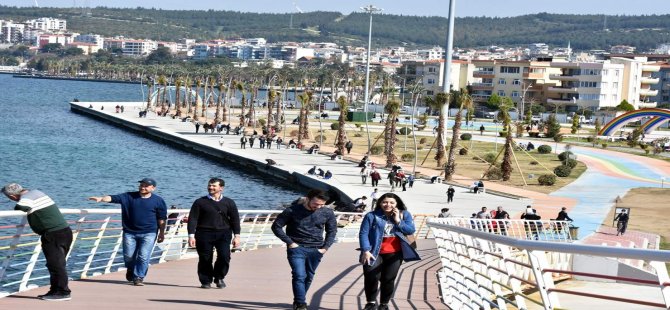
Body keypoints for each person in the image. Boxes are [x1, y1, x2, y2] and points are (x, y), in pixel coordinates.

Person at [88, 178, 167, 286]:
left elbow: (161, 219)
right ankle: (131, 269)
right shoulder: (129, 196)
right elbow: (113, 198)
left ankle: (139, 277)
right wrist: (101, 198)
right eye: (141, 185)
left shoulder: (158, 201)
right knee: (128, 256)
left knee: (143, 256)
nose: (142, 187)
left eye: (146, 186)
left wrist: (162, 233)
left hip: (149, 232)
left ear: (153, 188)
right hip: (130, 232)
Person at [2, 183, 73, 301]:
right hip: (64, 232)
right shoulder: (36, 192)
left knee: (56, 265)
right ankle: (55, 290)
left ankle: (63, 292)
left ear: (12, 196)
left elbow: (21, 207)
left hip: (53, 234)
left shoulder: (26, 197)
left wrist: (18, 202)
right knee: (56, 264)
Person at [271, 189, 337, 310]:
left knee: (309, 276)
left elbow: (332, 231)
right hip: (297, 248)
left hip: (317, 249)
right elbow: (276, 226)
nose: (318, 207)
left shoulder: (327, 212)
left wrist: (325, 248)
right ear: (307, 199)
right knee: (299, 275)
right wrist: (290, 243)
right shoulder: (292, 210)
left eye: (321, 204)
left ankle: (298, 301)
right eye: (315, 204)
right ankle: (301, 303)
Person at [359, 193, 420, 310]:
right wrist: (365, 250)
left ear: (397, 204)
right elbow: (363, 233)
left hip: (395, 252)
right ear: (380, 203)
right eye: (385, 202)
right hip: (373, 251)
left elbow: (410, 230)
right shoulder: (371, 216)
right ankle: (371, 302)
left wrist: (398, 221)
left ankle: (384, 304)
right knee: (371, 275)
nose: (388, 205)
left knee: (388, 279)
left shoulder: (404, 214)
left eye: (392, 202)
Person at [187, 178, 241, 289]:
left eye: (213, 186)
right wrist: (191, 235)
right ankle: (205, 281)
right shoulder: (200, 202)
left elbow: (235, 219)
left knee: (225, 256)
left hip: (224, 233)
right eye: (209, 185)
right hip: (204, 233)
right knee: (205, 258)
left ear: (221, 188)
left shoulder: (229, 202)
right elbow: (193, 219)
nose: (210, 187)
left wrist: (237, 236)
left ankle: (219, 277)